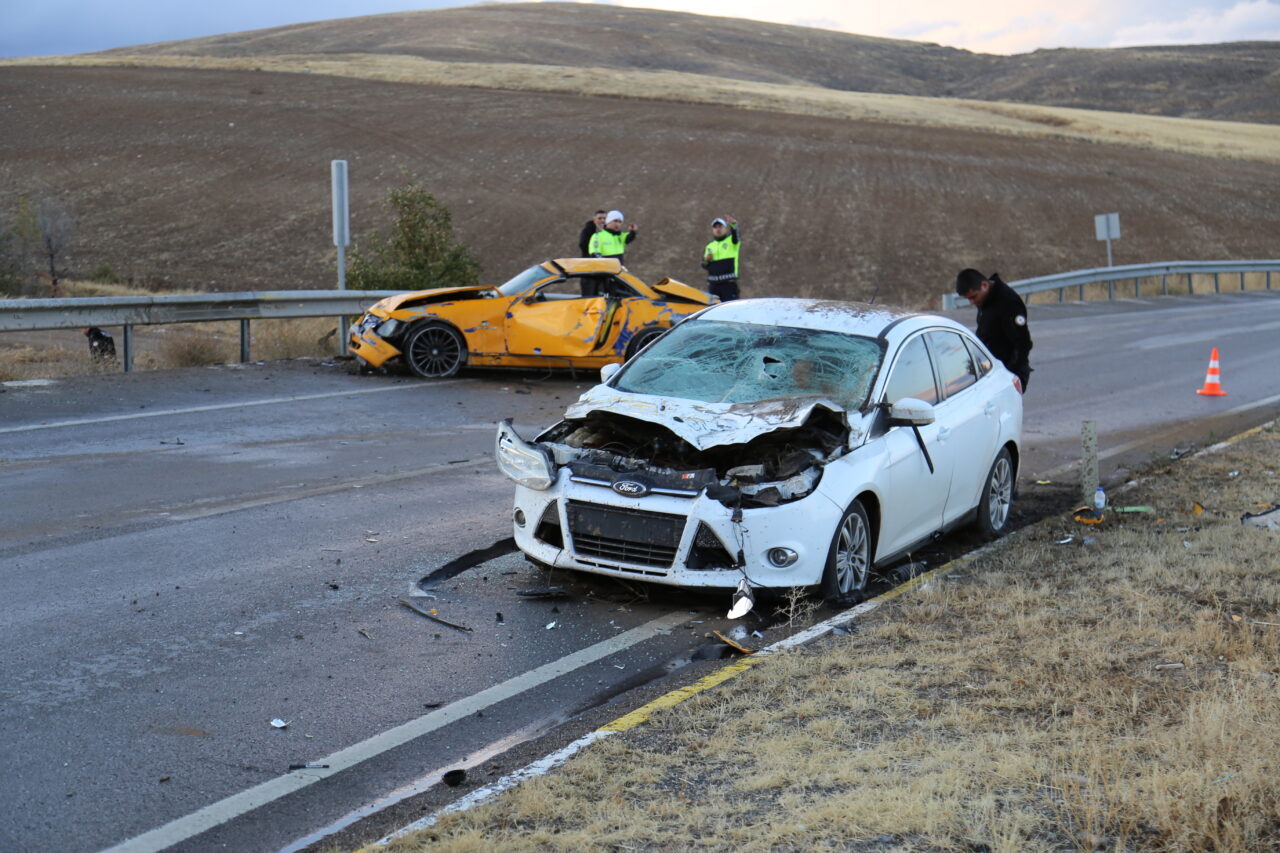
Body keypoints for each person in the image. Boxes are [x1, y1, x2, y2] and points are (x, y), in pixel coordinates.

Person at [955, 268, 1032, 391]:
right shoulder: (985, 300)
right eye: (968, 299)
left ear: (984, 285)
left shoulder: (1009, 303)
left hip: (1006, 374)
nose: (971, 302)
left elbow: (1023, 342)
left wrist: (1010, 375)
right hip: (989, 371)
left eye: (973, 297)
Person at [702, 216, 740, 301]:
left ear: (726, 229)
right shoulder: (709, 246)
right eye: (715, 227)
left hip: (728, 283)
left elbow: (736, 234)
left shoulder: (732, 241)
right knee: (715, 310)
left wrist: (733, 224)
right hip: (713, 285)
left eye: (720, 227)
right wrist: (706, 260)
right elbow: (704, 265)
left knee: (731, 308)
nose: (718, 229)